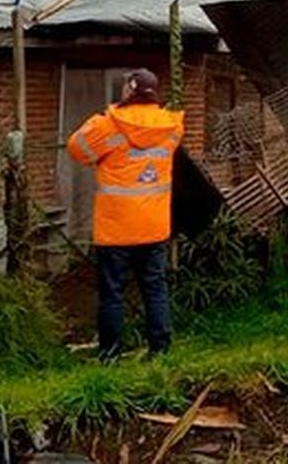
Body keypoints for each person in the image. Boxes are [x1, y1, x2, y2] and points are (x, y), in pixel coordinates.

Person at [67, 68, 185, 359]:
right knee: (155, 289)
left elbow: (76, 150)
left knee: (112, 294)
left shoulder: (108, 125)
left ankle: (110, 355)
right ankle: (160, 351)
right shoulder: (172, 126)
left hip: (116, 228)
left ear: (130, 90)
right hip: (154, 225)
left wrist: (104, 121)